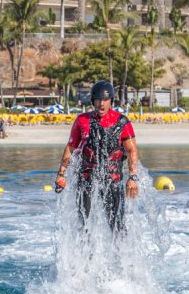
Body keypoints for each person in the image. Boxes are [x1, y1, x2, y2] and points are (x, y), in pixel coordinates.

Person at [55, 81, 139, 232]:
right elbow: (71, 148)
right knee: (83, 224)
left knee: (117, 226)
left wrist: (132, 177)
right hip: (86, 179)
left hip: (112, 181)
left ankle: (122, 255)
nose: (102, 104)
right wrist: (61, 174)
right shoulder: (82, 121)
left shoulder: (122, 122)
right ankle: (84, 255)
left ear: (111, 100)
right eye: (98, 100)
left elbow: (132, 151)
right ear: (93, 101)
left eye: (105, 100)